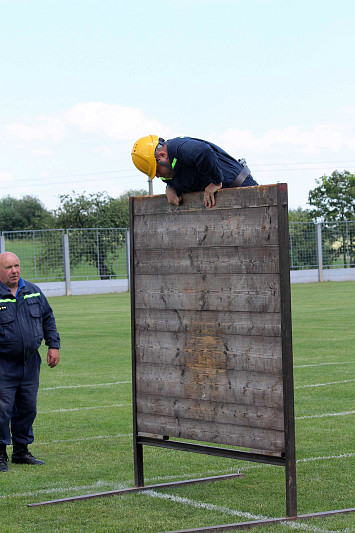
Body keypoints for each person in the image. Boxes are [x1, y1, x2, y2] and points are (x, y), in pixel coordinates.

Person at [0, 252, 60, 472]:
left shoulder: (32, 291)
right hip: (3, 363)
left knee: (27, 408)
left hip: (29, 362)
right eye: (8, 267)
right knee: (2, 409)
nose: (14, 270)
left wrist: (53, 345)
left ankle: (21, 451)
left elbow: (48, 318)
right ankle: (0, 453)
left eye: (16, 266)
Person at [131, 135, 258, 208]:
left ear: (162, 155)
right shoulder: (169, 168)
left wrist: (216, 181)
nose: (158, 176)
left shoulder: (179, 147)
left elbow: (203, 151)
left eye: (157, 171)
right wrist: (169, 187)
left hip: (241, 188)